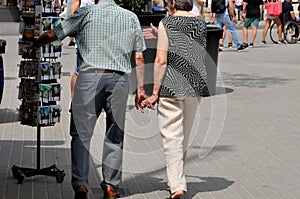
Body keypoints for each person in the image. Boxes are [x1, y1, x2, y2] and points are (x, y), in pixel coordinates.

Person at [27, 0, 147, 199]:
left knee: (81, 135)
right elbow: (139, 57)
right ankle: (110, 186)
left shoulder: (85, 13)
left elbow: (55, 33)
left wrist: (36, 43)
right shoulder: (130, 17)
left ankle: (81, 185)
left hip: (89, 79)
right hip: (119, 80)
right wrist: (141, 88)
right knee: (114, 135)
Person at [141, 0, 207, 198]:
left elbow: (161, 60)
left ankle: (177, 184)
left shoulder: (167, 23)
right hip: (194, 85)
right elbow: (186, 44)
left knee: (172, 137)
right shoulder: (201, 22)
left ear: (172, 4)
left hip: (171, 86)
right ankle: (179, 178)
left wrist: (154, 93)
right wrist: (159, 35)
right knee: (183, 136)